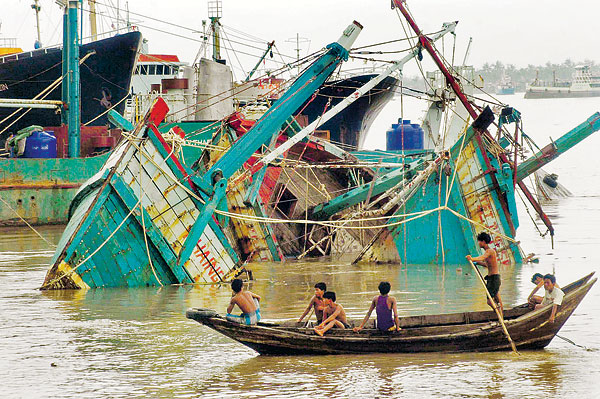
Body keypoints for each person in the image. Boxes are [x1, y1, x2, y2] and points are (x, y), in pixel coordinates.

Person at [466, 231, 503, 315]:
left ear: (483, 242)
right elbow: (488, 265)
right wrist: (478, 263)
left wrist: (472, 259)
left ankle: (499, 315)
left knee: (490, 301)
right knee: (497, 300)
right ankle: (501, 317)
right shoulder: (488, 252)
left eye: (479, 241)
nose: (478, 243)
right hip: (492, 279)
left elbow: (482, 257)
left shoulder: (489, 251)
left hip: (494, 279)